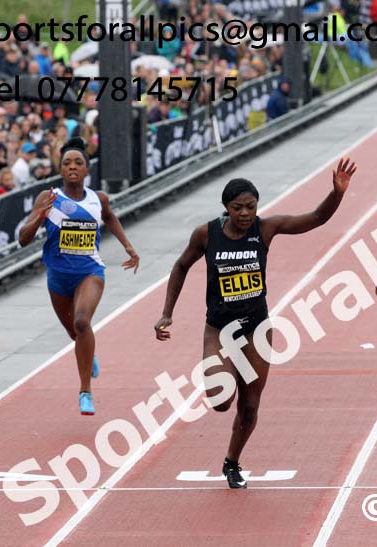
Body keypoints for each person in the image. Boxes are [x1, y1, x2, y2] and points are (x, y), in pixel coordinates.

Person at [153, 158, 357, 488]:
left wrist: (336, 194)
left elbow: (316, 219)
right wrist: (167, 312)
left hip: (256, 330)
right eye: (238, 208)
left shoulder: (265, 228)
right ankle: (225, 372)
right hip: (219, 329)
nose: (245, 214)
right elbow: (180, 267)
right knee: (221, 400)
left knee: (249, 406)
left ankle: (232, 462)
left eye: (250, 207)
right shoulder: (207, 234)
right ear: (226, 208)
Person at [18, 137, 140, 416]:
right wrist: (40, 217)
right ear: (60, 170)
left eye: (78, 163)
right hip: (58, 277)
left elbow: (109, 217)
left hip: (90, 272)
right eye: (67, 163)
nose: (72, 167)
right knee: (74, 332)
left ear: (87, 170)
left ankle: (85, 392)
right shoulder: (49, 198)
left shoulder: (98, 199)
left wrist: (128, 246)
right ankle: (88, 353)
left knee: (83, 322)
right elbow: (23, 240)